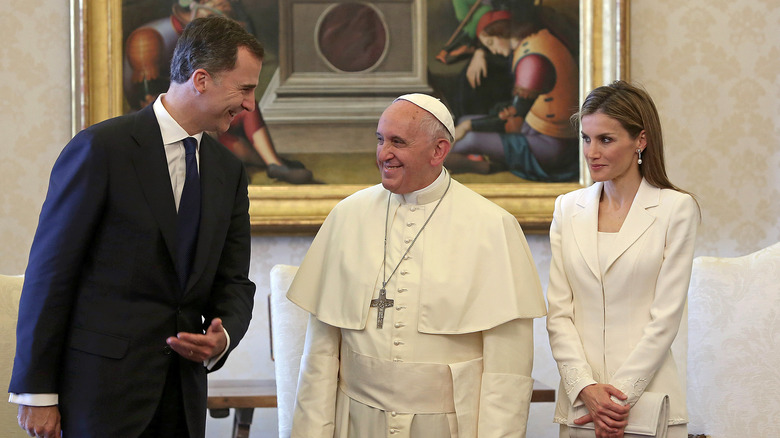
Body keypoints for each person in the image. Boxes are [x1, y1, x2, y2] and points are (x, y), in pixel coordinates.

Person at [9, 16, 258, 437]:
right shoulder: (101, 149)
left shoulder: (228, 171)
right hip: (98, 395)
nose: (250, 105)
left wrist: (224, 337)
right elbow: (51, 273)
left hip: (181, 399)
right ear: (201, 79)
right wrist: (36, 393)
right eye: (245, 89)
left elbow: (233, 281)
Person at [287, 93, 547, 438]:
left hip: (447, 426)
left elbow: (507, 373)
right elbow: (319, 358)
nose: (383, 153)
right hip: (356, 423)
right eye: (380, 139)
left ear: (438, 150)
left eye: (398, 142)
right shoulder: (347, 216)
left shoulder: (492, 226)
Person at [546, 81, 699, 437]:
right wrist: (585, 387)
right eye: (586, 138)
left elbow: (665, 319)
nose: (592, 151)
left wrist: (617, 400)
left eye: (606, 139)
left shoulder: (676, 209)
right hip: (581, 408)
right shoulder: (567, 208)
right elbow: (558, 313)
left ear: (640, 141)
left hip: (647, 405)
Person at [124, 0, 313, 184]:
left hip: (203, 118)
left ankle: (273, 163)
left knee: (237, 123)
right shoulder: (149, 39)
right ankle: (264, 162)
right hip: (172, 116)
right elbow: (146, 96)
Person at [445, 4, 579, 182]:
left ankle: (473, 166)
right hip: (534, 128)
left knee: (468, 139)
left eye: (491, 43)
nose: (492, 50)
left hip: (553, 145)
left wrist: (469, 125)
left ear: (502, 32)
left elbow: (514, 115)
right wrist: (466, 124)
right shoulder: (533, 42)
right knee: (462, 123)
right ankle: (481, 166)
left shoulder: (532, 59)